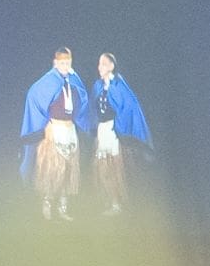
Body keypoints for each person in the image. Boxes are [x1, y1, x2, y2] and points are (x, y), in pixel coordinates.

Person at [19, 47, 87, 221]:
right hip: (54, 131)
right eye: (62, 63)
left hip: (70, 130)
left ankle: (63, 208)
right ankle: (47, 204)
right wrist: (43, 124)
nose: (65, 66)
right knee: (51, 171)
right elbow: (34, 95)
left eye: (68, 62)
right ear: (55, 63)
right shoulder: (48, 81)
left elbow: (83, 101)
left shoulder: (74, 80)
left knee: (67, 171)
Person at [84, 53, 155, 216]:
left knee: (116, 167)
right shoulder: (97, 85)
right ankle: (109, 200)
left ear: (111, 66)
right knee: (103, 167)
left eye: (103, 64)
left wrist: (119, 127)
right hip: (102, 130)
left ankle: (118, 203)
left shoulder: (118, 85)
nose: (99, 67)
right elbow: (93, 108)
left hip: (115, 132)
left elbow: (128, 107)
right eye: (99, 64)